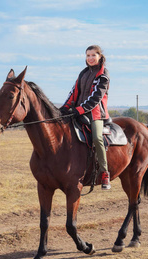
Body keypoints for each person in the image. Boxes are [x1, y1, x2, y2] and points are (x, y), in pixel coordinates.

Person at [60, 45, 111, 190]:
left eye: (93, 55)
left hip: (95, 113)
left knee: (97, 137)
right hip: (77, 110)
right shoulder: (83, 73)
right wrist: (65, 107)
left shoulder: (103, 75)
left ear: (100, 56)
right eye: (88, 55)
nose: (90, 58)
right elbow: (74, 92)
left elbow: (95, 98)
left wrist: (79, 110)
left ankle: (104, 172)